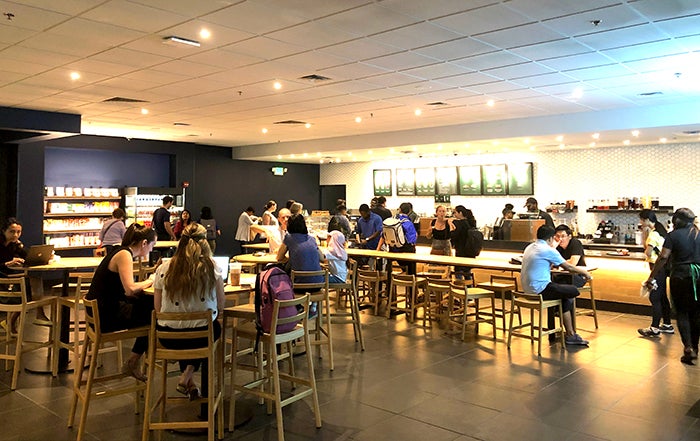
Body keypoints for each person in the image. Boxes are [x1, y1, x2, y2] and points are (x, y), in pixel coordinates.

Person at [153, 223, 225, 400]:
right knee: (212, 329)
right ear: (205, 243)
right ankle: (188, 373)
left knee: (186, 331)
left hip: (168, 338)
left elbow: (157, 308)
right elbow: (221, 307)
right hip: (201, 336)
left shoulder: (163, 268)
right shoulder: (211, 267)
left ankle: (189, 380)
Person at [85, 223, 156, 381]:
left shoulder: (119, 251)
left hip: (97, 311)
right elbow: (130, 289)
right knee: (153, 315)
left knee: (147, 304)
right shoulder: (125, 255)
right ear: (144, 243)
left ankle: (134, 361)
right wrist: (151, 280)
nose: (151, 249)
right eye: (152, 245)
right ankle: (134, 361)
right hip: (105, 316)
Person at [521, 225, 593, 346]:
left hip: (526, 290)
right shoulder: (548, 250)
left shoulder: (529, 247)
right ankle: (570, 334)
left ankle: (569, 333)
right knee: (573, 291)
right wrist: (586, 273)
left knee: (563, 296)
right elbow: (569, 267)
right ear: (551, 238)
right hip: (541, 289)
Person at [646, 208, 700, 364]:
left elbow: (663, 257)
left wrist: (652, 276)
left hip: (680, 276)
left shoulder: (673, 235)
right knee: (696, 314)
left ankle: (688, 347)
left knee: (682, 312)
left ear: (677, 220)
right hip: (699, 277)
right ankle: (695, 348)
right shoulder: (698, 234)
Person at [0, 217, 43, 334]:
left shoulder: (14, 244)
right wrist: (7, 263)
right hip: (2, 279)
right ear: (4, 231)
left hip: (8, 277)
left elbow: (29, 256)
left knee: (32, 281)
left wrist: (21, 247)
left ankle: (11, 322)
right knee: (29, 284)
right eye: (12, 232)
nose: (16, 235)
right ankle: (39, 314)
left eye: (18, 232)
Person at [638, 209, 673, 337]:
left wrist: (644, 235)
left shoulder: (653, 235)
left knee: (655, 297)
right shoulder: (660, 231)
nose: (640, 222)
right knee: (662, 296)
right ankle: (667, 324)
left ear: (647, 220)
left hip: (656, 268)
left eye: (641, 219)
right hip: (662, 269)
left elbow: (647, 252)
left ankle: (654, 327)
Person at [277, 214, 324, 308]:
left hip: (299, 285)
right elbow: (322, 258)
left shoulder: (289, 237)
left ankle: (294, 308)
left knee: (283, 274)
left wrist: (291, 259)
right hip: (318, 284)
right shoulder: (312, 239)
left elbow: (279, 257)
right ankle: (313, 307)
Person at [377, 202, 418, 278]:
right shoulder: (408, 223)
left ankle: (389, 284)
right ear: (409, 211)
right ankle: (411, 284)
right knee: (411, 267)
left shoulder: (391, 221)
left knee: (389, 266)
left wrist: (378, 249)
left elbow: (383, 235)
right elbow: (412, 240)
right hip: (406, 252)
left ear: (400, 210)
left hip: (392, 251)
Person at [448, 205, 478, 280]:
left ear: (460, 213)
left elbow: (453, 236)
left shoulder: (460, 224)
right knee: (467, 272)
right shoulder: (470, 222)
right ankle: (469, 289)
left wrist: (451, 226)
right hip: (469, 252)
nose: (454, 215)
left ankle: (459, 288)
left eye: (455, 212)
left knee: (458, 271)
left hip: (461, 251)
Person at [355, 203, 383, 270]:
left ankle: (379, 278)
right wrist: (358, 239)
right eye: (361, 214)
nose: (362, 215)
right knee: (363, 263)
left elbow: (378, 231)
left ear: (368, 212)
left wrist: (368, 239)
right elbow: (358, 231)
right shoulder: (360, 220)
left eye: (363, 214)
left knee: (377, 265)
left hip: (376, 245)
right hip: (365, 246)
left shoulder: (377, 218)